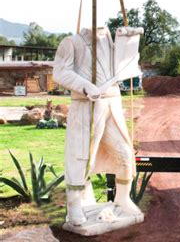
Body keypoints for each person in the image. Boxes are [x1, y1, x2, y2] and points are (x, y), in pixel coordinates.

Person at [53, 26, 142, 226]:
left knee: (125, 152)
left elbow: (125, 61)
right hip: (86, 106)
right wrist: (84, 85)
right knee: (81, 156)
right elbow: (60, 72)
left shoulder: (112, 43)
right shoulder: (72, 42)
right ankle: (75, 205)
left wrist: (130, 39)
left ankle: (123, 198)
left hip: (112, 104)